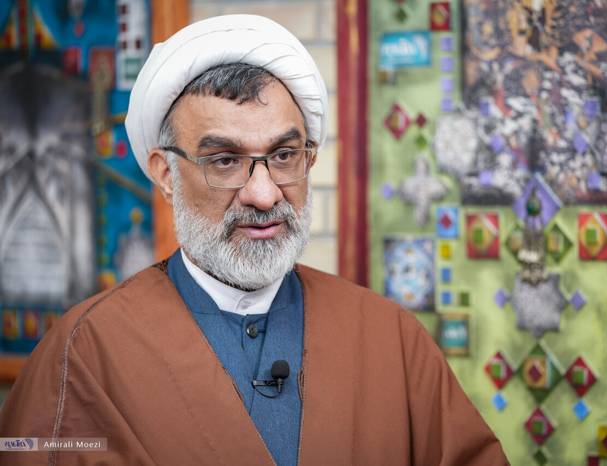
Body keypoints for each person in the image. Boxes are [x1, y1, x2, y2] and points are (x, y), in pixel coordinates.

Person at [0, 15, 507, 466]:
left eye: (284, 156)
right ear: (166, 174)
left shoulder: (390, 339)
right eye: (225, 161)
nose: (264, 194)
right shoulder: (84, 354)